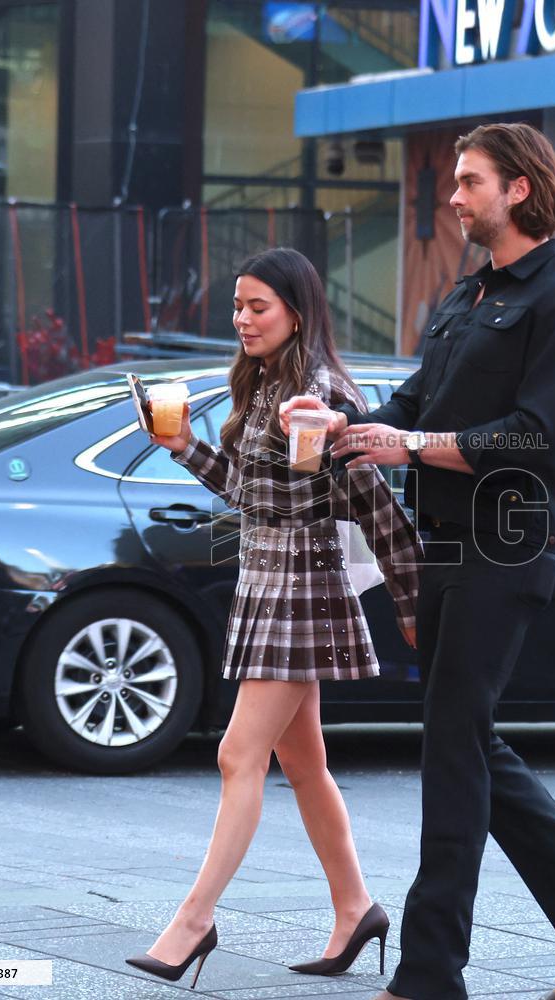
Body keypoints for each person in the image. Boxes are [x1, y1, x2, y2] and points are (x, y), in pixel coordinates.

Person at [282, 123, 555, 1000]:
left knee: (455, 752)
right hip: (444, 545)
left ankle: (429, 974)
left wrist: (412, 446)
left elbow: (535, 435)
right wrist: (347, 425)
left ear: (519, 188)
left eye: (468, 181)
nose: (453, 197)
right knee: (468, 742)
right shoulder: (467, 292)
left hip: (510, 546)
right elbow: (415, 402)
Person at [125, 247, 422, 989]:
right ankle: (356, 908)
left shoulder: (318, 393)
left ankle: (194, 921)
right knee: (303, 763)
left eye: (258, 306)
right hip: (266, 583)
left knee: (238, 756)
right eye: (237, 306)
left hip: (301, 589)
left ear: (297, 311)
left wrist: (413, 598)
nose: (243, 319)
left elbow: (370, 500)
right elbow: (250, 493)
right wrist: (183, 446)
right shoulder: (264, 383)